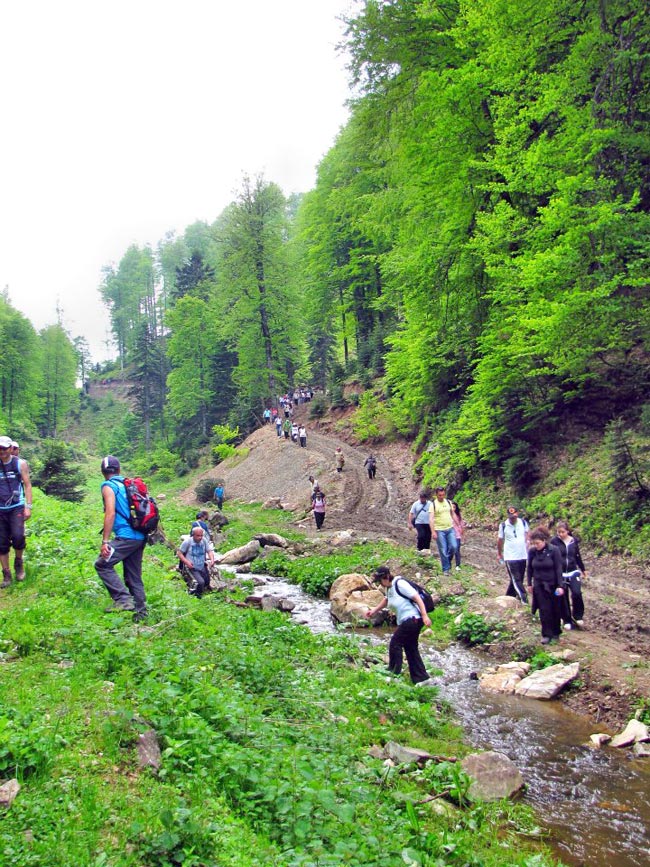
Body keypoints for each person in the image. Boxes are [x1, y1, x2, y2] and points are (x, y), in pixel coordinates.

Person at [95, 456, 147, 620]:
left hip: (125, 537)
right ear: (118, 469)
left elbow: (110, 513)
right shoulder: (129, 485)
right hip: (140, 536)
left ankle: (123, 600)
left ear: (103, 472)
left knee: (102, 564)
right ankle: (141, 614)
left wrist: (105, 541)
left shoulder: (108, 486)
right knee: (133, 576)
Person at [365, 566, 433, 685]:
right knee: (410, 647)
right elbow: (387, 600)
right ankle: (422, 678)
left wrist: (425, 615)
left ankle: (393, 674)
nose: (379, 584)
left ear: (385, 577)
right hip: (409, 621)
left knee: (395, 643)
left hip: (413, 619)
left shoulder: (399, 583)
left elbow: (417, 598)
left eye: (380, 581)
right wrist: (374, 611)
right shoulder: (388, 588)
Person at [0, 435, 32, 587]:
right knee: (1, 542)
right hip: (0, 509)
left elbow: (27, 485)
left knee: (18, 537)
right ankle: (6, 574)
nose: (2, 452)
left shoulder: (20, 464)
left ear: (11, 448)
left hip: (16, 506)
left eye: (5, 448)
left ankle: (18, 563)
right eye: (0, 449)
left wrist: (28, 506)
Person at [527, 526, 564, 644]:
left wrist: (560, 585)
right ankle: (546, 634)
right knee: (544, 610)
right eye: (533, 543)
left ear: (543, 541)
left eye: (537, 543)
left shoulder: (554, 550)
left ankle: (556, 632)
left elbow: (558, 568)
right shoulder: (532, 552)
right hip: (539, 584)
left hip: (552, 584)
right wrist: (529, 583)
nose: (535, 546)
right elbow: (529, 568)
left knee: (555, 608)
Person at [551, 521, 587, 629]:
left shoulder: (573, 541)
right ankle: (566, 619)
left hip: (573, 571)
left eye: (563, 532)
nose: (561, 534)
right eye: (559, 532)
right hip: (560, 573)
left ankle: (578, 616)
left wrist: (583, 569)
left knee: (577, 593)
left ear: (567, 531)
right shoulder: (554, 541)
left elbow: (577, 556)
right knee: (563, 595)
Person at [497, 506, 530, 603]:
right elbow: (500, 540)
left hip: (522, 555)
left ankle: (509, 596)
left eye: (514, 516)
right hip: (510, 556)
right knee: (516, 579)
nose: (513, 518)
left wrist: (527, 542)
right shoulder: (503, 525)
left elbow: (527, 533)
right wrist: (499, 553)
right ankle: (524, 599)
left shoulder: (523, 522)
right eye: (511, 517)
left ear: (517, 514)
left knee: (518, 577)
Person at [177, 525, 215, 597]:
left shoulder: (204, 541)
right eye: (198, 536)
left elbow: (209, 551)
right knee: (200, 582)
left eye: (201, 535)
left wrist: (212, 560)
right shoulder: (187, 542)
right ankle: (197, 596)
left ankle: (198, 591)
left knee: (207, 582)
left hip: (202, 565)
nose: (200, 537)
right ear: (193, 535)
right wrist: (187, 562)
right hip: (192, 567)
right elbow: (179, 553)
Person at [430, 487, 457, 576]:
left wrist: (458, 524)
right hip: (439, 530)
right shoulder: (433, 504)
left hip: (450, 528)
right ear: (436, 495)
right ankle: (446, 569)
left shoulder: (448, 502)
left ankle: (447, 562)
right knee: (443, 549)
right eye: (439, 495)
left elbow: (453, 514)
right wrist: (433, 531)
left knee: (454, 546)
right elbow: (431, 519)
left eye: (443, 495)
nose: (441, 497)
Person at [450, 501, 465, 571]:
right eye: (452, 507)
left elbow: (461, 524)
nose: (453, 508)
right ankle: (448, 563)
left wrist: (462, 530)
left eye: (454, 507)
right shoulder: (447, 515)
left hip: (457, 535)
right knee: (450, 550)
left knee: (457, 550)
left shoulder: (458, 516)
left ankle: (458, 565)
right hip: (449, 535)